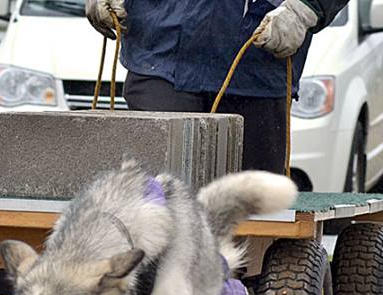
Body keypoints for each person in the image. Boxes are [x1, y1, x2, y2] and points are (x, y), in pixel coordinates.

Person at [84, 0, 349, 173]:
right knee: (158, 200)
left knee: (250, 214)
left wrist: (305, 8)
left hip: (256, 67)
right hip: (161, 58)